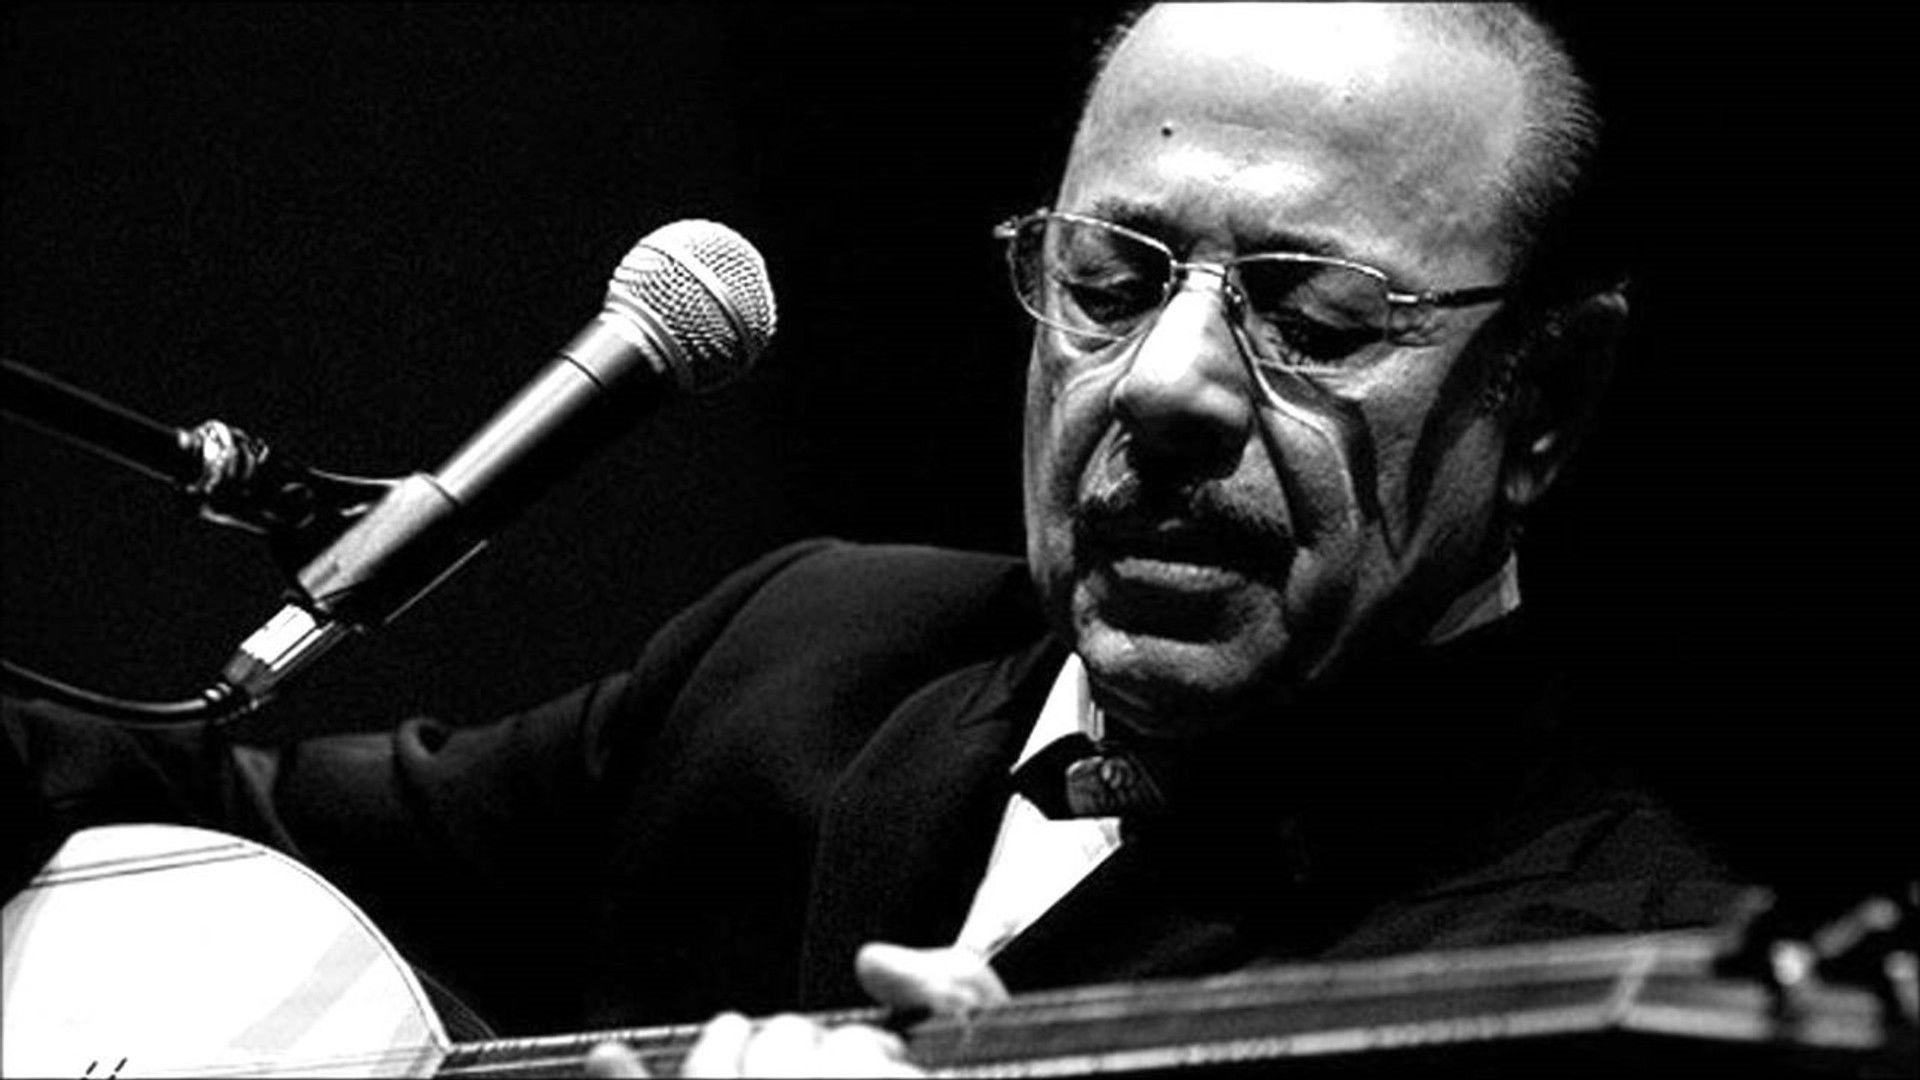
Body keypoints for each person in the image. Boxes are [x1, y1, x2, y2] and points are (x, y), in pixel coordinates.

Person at [5, 3, 1742, 1074]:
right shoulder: (813, 658)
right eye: (1109, 280)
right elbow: (166, 811)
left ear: (1546, 399)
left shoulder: (1622, 963)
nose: (1169, 385)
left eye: (1316, 315)